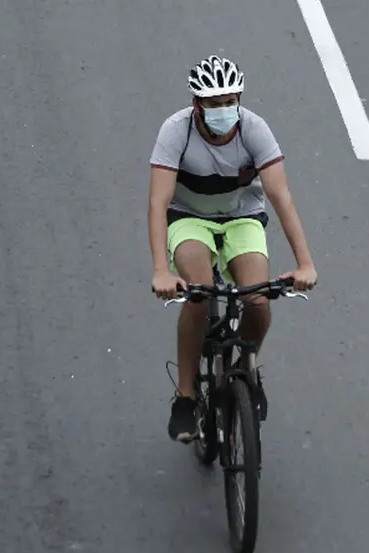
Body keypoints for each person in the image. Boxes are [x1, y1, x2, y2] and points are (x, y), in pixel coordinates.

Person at [147, 55, 318, 442]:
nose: (224, 110)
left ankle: (244, 370)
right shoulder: (175, 132)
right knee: (200, 294)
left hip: (242, 217)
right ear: (197, 105)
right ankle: (187, 396)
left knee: (258, 300)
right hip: (189, 216)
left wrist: (305, 263)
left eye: (230, 101)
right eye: (214, 103)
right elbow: (158, 203)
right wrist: (161, 269)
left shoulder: (255, 130)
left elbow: (280, 197)